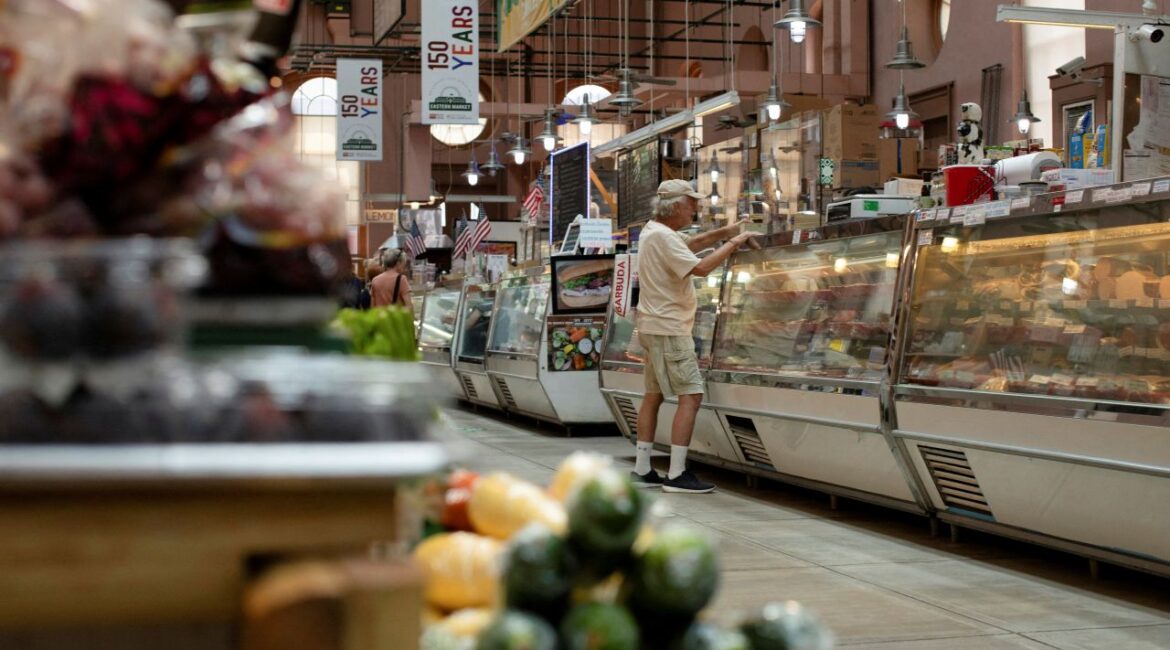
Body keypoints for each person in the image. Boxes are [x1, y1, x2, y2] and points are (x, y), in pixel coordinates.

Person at [632, 179, 758, 494]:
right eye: (691, 204)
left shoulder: (652, 232)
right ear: (675, 206)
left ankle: (643, 468)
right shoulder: (663, 236)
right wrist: (735, 242)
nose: (695, 210)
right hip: (670, 328)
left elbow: (690, 244)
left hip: (652, 326)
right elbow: (701, 268)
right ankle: (677, 474)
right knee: (691, 396)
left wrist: (725, 232)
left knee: (653, 395)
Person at [371, 248, 412, 312]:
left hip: (380, 317)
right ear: (398, 263)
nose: (404, 266)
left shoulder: (375, 280)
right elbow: (409, 306)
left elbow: (373, 306)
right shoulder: (402, 279)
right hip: (396, 317)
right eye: (403, 263)